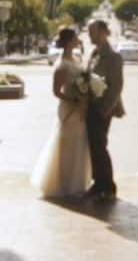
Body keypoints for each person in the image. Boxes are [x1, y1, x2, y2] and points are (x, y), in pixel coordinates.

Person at [29, 27, 92, 199]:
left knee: (79, 144)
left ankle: (77, 183)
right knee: (66, 144)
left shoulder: (77, 58)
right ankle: (64, 183)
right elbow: (56, 91)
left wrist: (85, 96)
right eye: (75, 37)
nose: (78, 40)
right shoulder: (62, 65)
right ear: (69, 41)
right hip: (69, 109)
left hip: (80, 108)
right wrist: (74, 100)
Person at [84, 18, 125, 202]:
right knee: (93, 145)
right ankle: (98, 183)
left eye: (92, 31)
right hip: (90, 106)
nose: (90, 35)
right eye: (89, 31)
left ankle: (108, 185)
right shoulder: (93, 54)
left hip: (103, 108)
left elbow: (116, 86)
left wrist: (105, 109)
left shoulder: (113, 57)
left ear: (103, 32)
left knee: (100, 146)